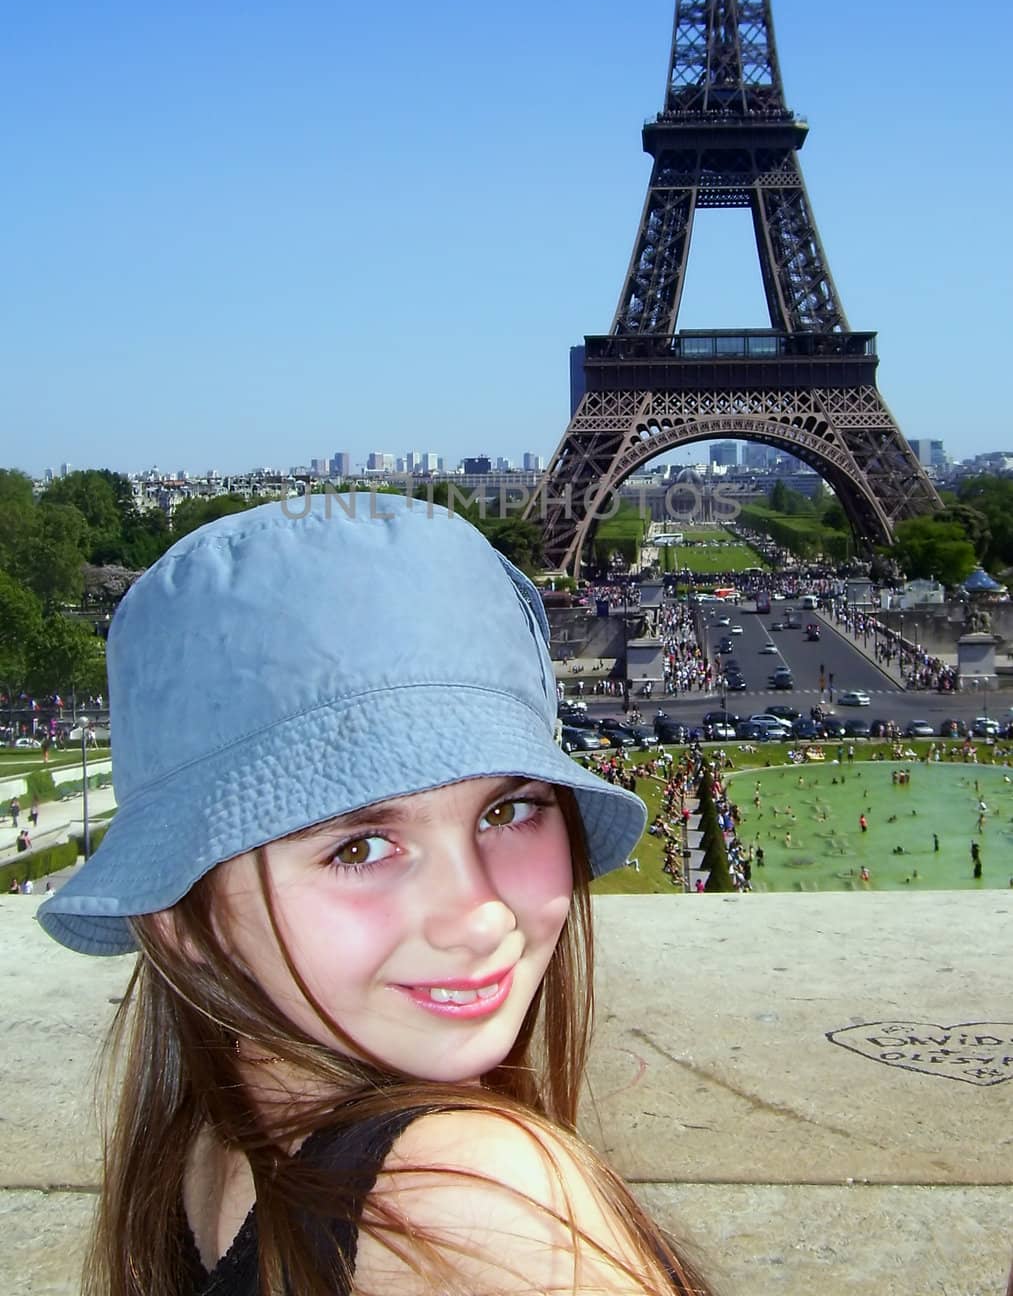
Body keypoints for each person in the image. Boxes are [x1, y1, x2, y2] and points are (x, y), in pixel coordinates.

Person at [39, 495, 715, 1296]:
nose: (480, 916)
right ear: (177, 914)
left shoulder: (205, 1145)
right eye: (359, 846)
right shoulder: (471, 1200)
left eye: (509, 810)